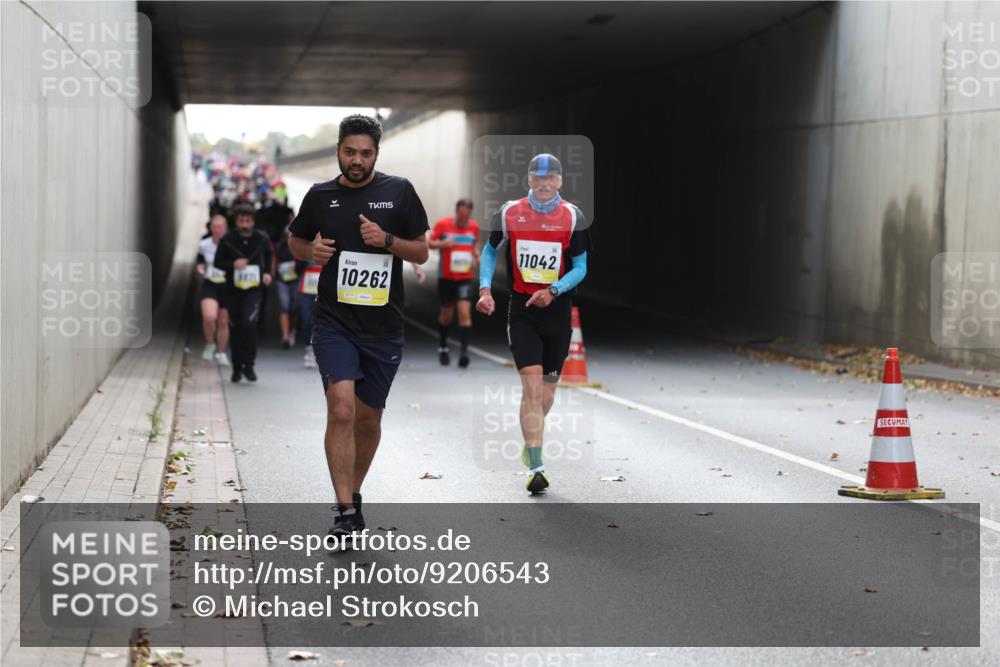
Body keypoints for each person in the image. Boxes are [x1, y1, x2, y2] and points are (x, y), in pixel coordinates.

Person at [288, 114, 429, 539]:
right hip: (334, 322)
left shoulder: (399, 192)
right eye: (350, 152)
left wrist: (386, 241)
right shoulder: (320, 195)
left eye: (365, 153)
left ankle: (353, 492)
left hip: (383, 326)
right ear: (338, 150)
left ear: (376, 154)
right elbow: (295, 239)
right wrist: (309, 250)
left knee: (368, 420)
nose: (357, 160)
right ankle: (345, 510)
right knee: (342, 409)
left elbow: (421, 252)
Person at [476, 153, 591, 495]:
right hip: (523, 310)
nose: (544, 183)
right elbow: (490, 250)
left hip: (557, 312)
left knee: (547, 395)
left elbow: (581, 267)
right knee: (532, 389)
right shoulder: (509, 212)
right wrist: (485, 289)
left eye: (550, 178)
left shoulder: (573, 216)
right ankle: (537, 467)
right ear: (529, 180)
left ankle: (531, 443)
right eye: (538, 178)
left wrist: (554, 290)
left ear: (560, 181)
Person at [214, 203, 273, 383]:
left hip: (254, 290)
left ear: (253, 221)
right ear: (236, 222)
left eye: (248, 221)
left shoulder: (262, 238)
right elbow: (218, 262)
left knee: (249, 324)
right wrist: (233, 264)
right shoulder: (227, 239)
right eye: (241, 221)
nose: (245, 225)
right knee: (236, 327)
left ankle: (249, 365)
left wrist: (267, 273)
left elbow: (269, 255)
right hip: (233, 291)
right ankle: (237, 367)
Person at [428, 199, 480, 367]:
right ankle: (443, 347)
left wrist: (477, 256)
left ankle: (464, 353)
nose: (463, 219)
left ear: (470, 214)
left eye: (466, 216)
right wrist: (442, 243)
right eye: (461, 215)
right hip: (446, 278)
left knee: (465, 313)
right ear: (456, 212)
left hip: (465, 277)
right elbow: (429, 243)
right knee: (446, 316)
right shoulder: (443, 224)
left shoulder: (473, 227)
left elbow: (475, 245)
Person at [195, 214, 232, 366]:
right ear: (210, 228)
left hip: (227, 285)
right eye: (214, 227)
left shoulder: (231, 244)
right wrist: (199, 266)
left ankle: (221, 352)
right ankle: (210, 342)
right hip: (210, 283)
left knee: (223, 321)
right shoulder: (204, 244)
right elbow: (199, 259)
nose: (217, 230)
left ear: (226, 229)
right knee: (209, 316)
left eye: (220, 227)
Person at [274, 229, 304, 348]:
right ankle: (285, 336)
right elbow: (275, 260)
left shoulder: (300, 246)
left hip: (296, 280)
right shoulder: (279, 246)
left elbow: (304, 262)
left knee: (294, 308)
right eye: (287, 235)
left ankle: (292, 331)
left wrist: (297, 266)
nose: (289, 237)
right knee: (284, 306)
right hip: (282, 280)